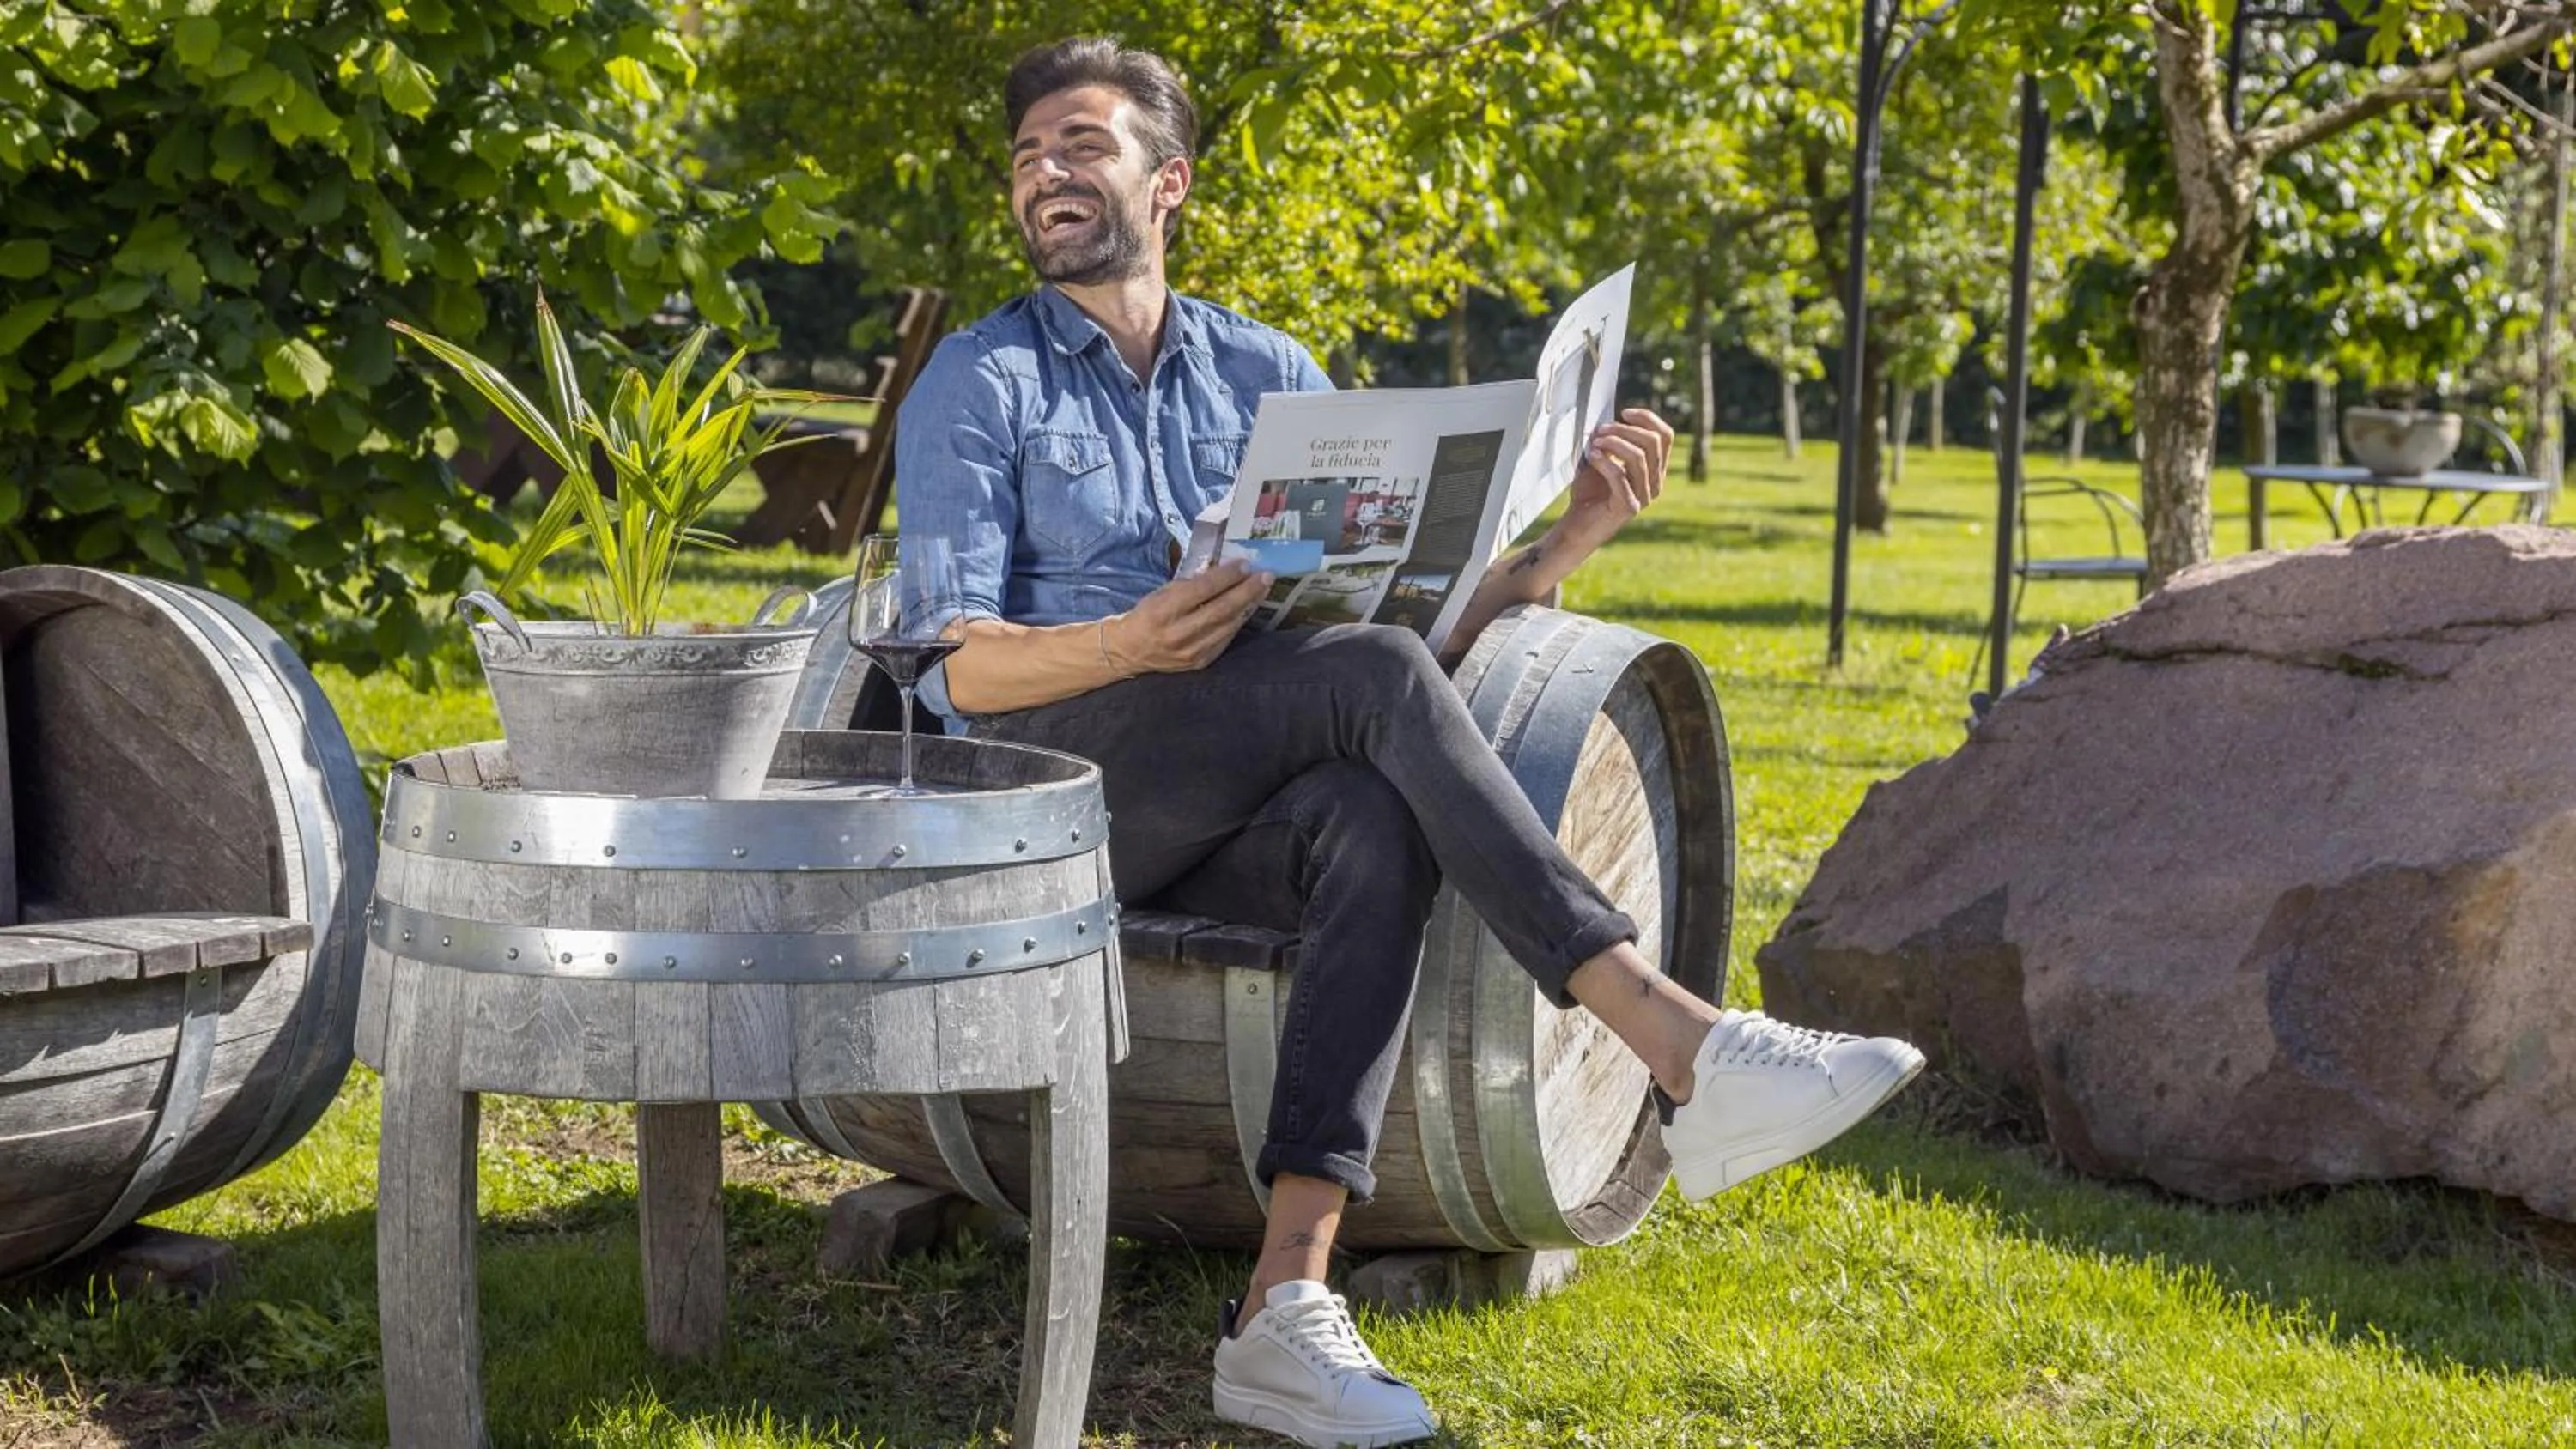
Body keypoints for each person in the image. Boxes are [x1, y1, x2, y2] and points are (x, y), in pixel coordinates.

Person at [896, 38, 1924, 1449]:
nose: (1046, 175)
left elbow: (1402, 645)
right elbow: (947, 671)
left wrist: (1559, 545)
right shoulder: (980, 380)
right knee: (1359, 685)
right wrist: (1134, 641)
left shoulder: (1269, 371)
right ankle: (1678, 1041)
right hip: (1056, 796)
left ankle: (1283, 1308)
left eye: (1081, 145)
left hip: (1246, 780)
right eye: (1026, 157)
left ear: (1169, 181)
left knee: (1370, 823)